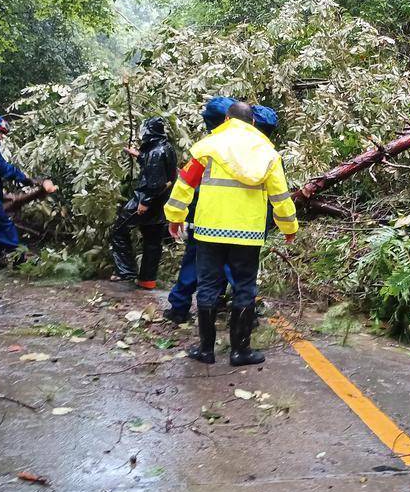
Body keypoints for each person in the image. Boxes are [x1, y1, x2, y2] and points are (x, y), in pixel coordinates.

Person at [165, 101, 298, 366]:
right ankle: (240, 351)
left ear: (226, 119)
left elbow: (184, 184)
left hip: (209, 232)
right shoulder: (267, 153)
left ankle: (206, 350)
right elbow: (280, 197)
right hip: (247, 235)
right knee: (245, 287)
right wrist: (289, 227)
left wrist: (174, 218)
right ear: (253, 123)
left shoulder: (208, 147)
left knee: (208, 287)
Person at [163, 96, 234, 324]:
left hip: (204, 221)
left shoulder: (203, 150)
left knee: (194, 264)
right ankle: (242, 311)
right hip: (237, 223)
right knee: (236, 268)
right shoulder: (245, 149)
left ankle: (180, 309)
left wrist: (175, 218)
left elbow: (184, 186)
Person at [0, 114, 56, 270]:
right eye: (1, 133)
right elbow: (1, 168)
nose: (2, 137)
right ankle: (20, 259)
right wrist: (27, 179)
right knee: (4, 227)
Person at [109, 117, 177, 289]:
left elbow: (155, 181)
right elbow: (158, 168)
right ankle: (147, 280)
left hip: (147, 200)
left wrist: (144, 201)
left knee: (118, 230)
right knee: (152, 240)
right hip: (162, 203)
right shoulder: (166, 147)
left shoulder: (156, 151)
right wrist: (139, 155)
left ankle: (126, 270)